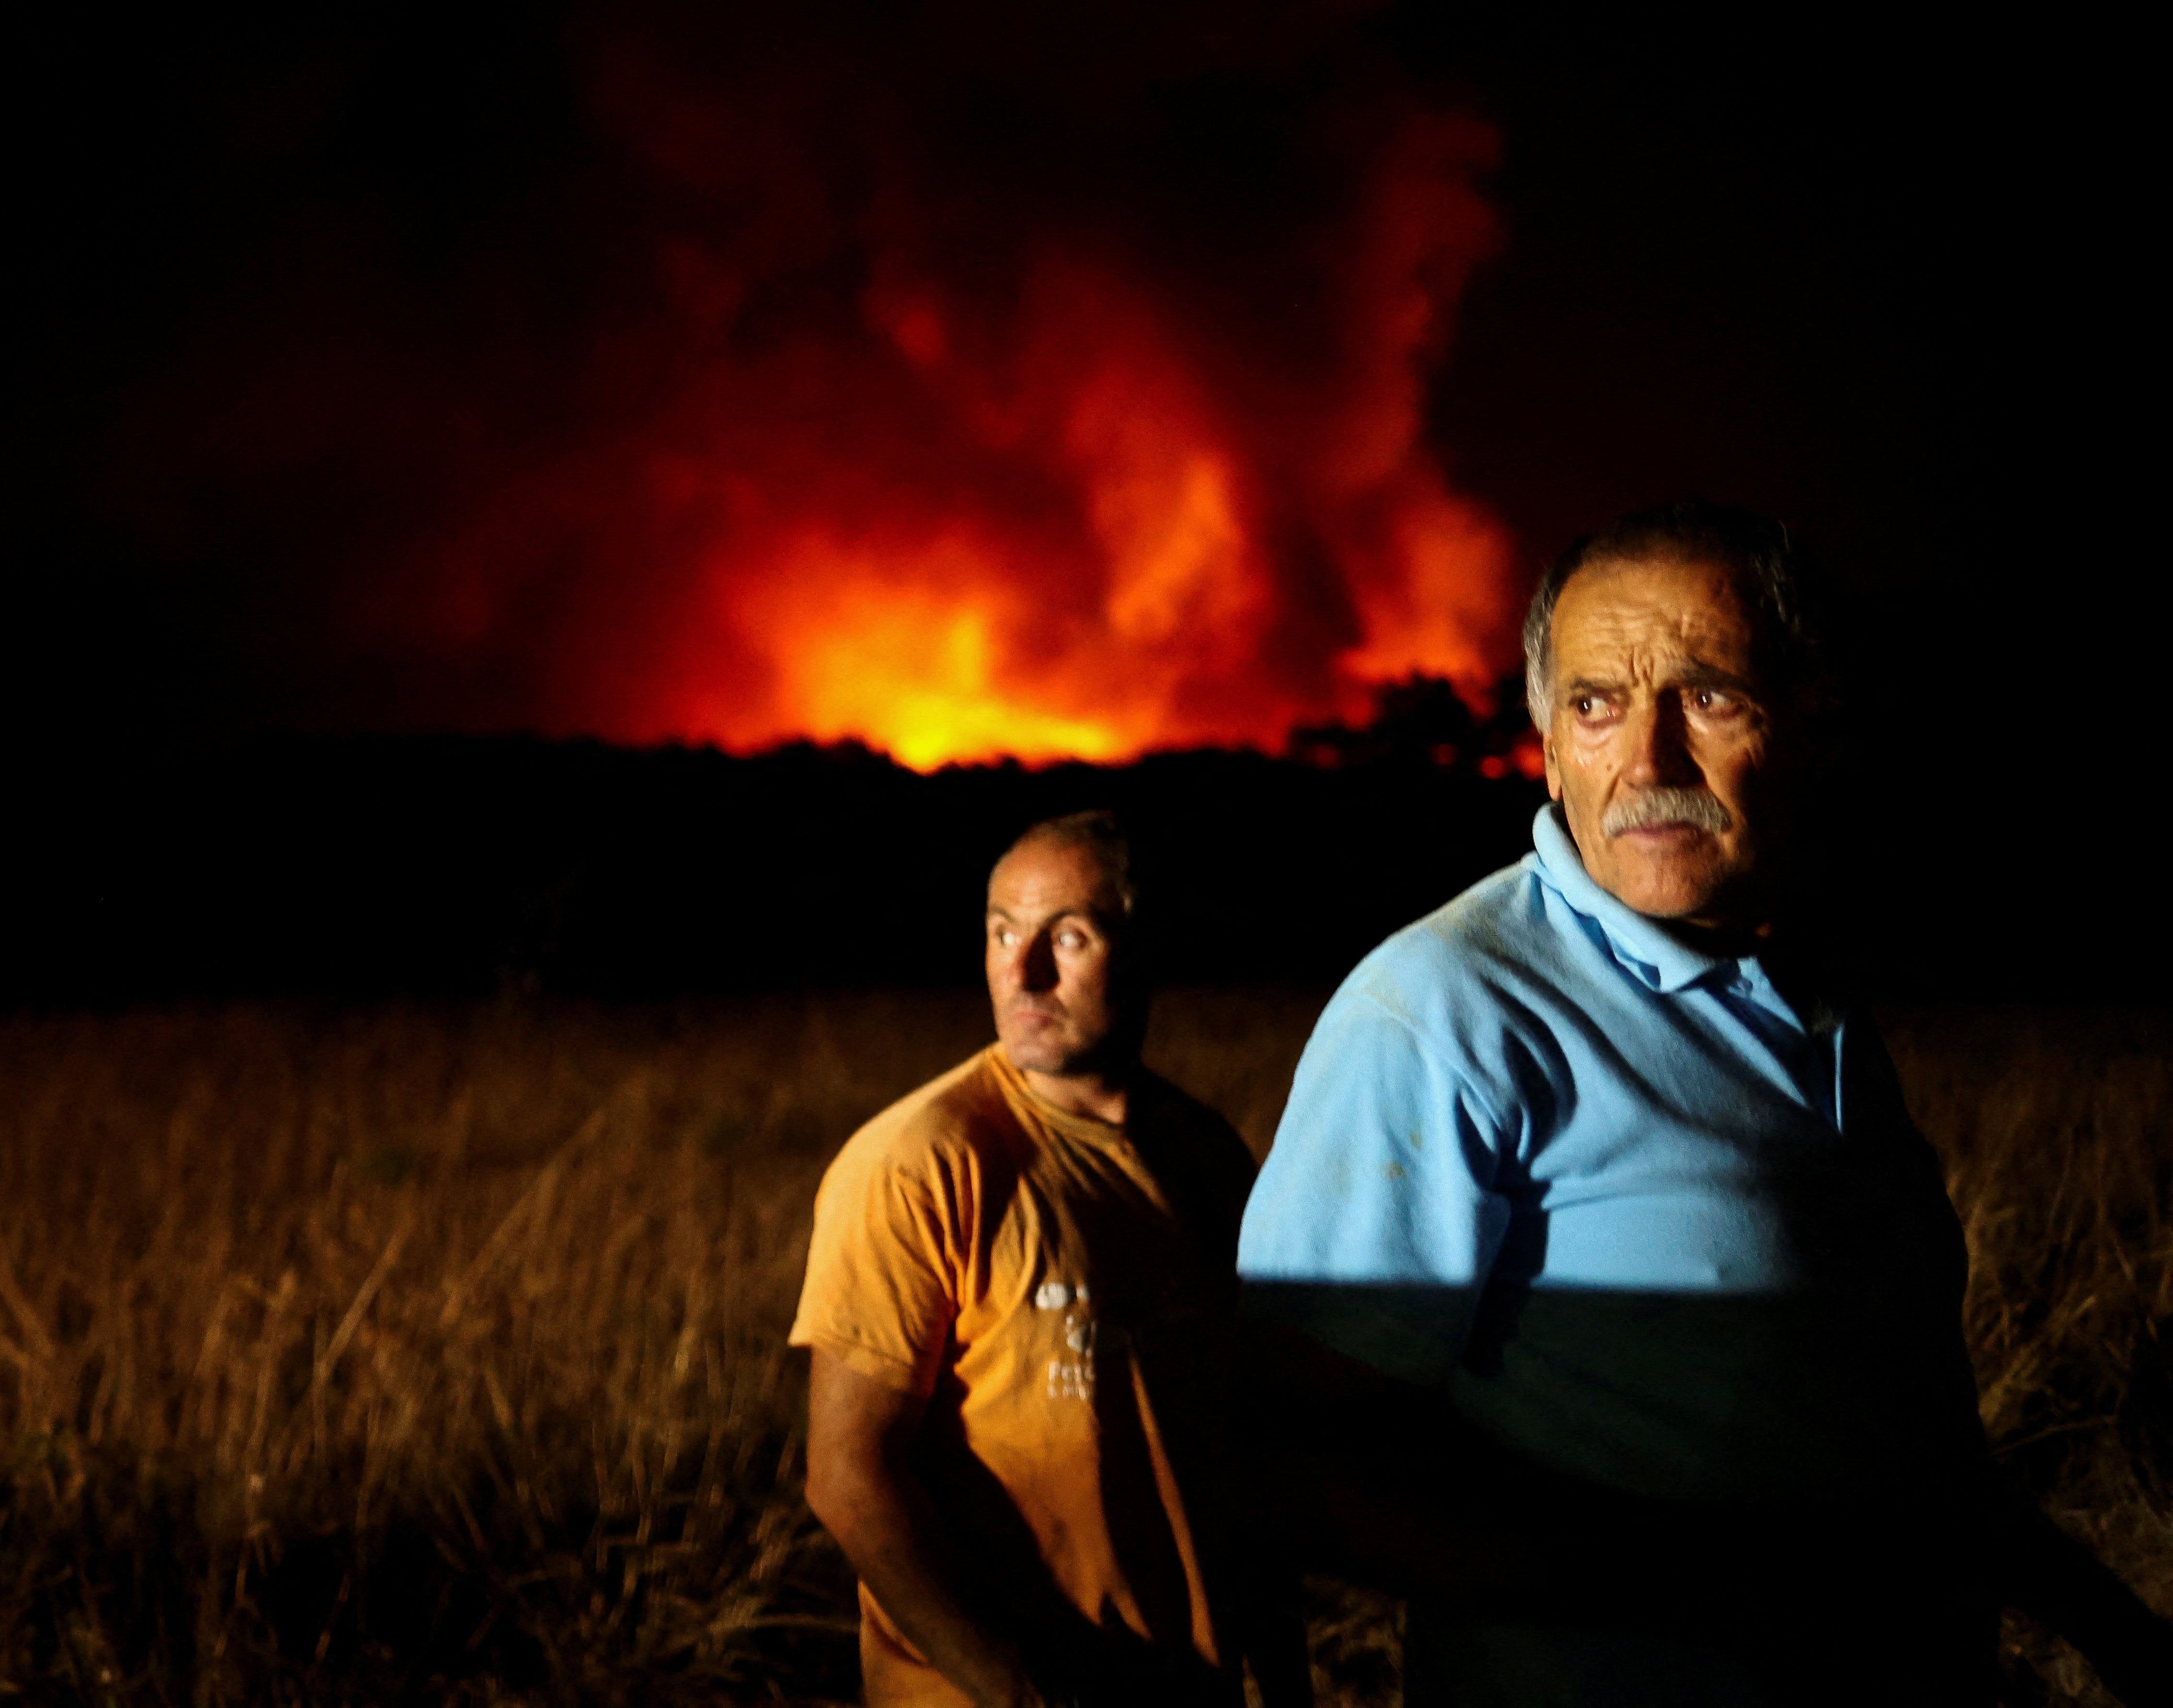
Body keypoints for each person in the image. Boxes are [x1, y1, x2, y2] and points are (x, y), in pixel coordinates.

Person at [1235, 501, 2170, 1705]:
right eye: (1596, 706)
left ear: (1813, 716)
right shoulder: (1447, 1012)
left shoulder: (1807, 991)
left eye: (1709, 696)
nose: (1649, 763)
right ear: (1546, 740)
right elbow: (1290, 1451)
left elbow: (1891, 1419)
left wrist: (2105, 1622)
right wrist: (1703, 1599)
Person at [793, 812, 1298, 1707]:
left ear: (1144, 949)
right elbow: (848, 1478)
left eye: (1068, 936)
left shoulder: (1205, 1156)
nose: (1024, 971)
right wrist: (1020, 1690)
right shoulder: (920, 1164)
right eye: (1001, 932)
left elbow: (1245, 1452)